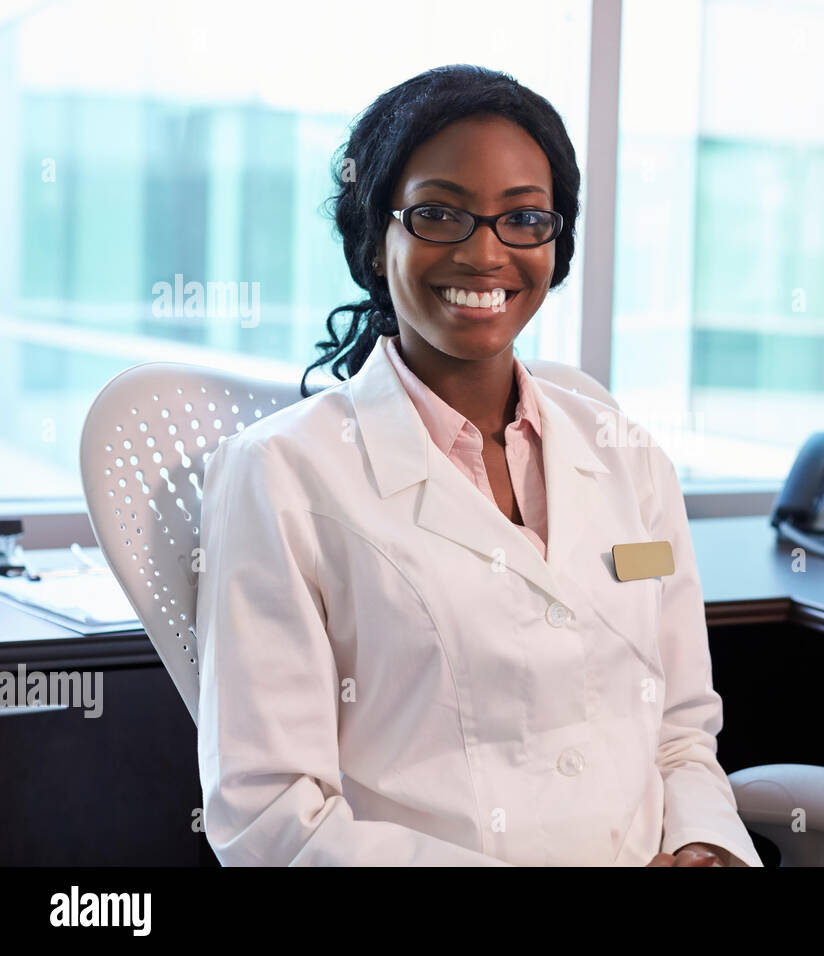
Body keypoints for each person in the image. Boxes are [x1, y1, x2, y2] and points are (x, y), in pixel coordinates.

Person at [195, 64, 761, 867]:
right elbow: (273, 820)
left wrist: (707, 844)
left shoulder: (629, 458)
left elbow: (678, 728)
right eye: (438, 213)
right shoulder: (280, 474)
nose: (484, 252)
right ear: (374, 235)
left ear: (554, 242)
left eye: (523, 218)